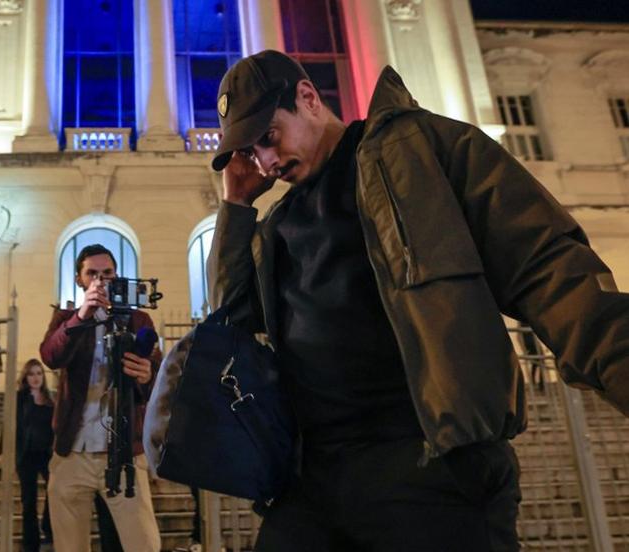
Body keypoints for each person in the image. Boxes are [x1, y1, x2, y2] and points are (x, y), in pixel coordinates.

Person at [206, 50, 629, 551]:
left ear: (308, 98)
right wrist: (235, 208)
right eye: (253, 152)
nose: (267, 162)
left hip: (430, 467)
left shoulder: (420, 149)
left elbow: (546, 266)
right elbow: (228, 322)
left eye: (269, 137)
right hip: (312, 482)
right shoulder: (274, 227)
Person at [40, 244, 162, 552]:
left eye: (107, 273)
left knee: (143, 544)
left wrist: (147, 375)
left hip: (124, 454)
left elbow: (158, 377)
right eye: (92, 274)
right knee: (69, 545)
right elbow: (51, 356)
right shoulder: (67, 319)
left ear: (117, 276)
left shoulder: (138, 320)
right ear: (80, 280)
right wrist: (82, 315)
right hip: (72, 452)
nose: (101, 280)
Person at [15, 359, 55, 551]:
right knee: (28, 501)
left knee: (54, 492)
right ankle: (31, 544)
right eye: (31, 374)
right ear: (26, 377)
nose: (36, 377)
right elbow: (12, 426)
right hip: (27, 454)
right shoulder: (19, 399)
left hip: (47, 454)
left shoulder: (50, 400)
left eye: (39, 373)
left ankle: (48, 527)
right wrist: (2, 451)